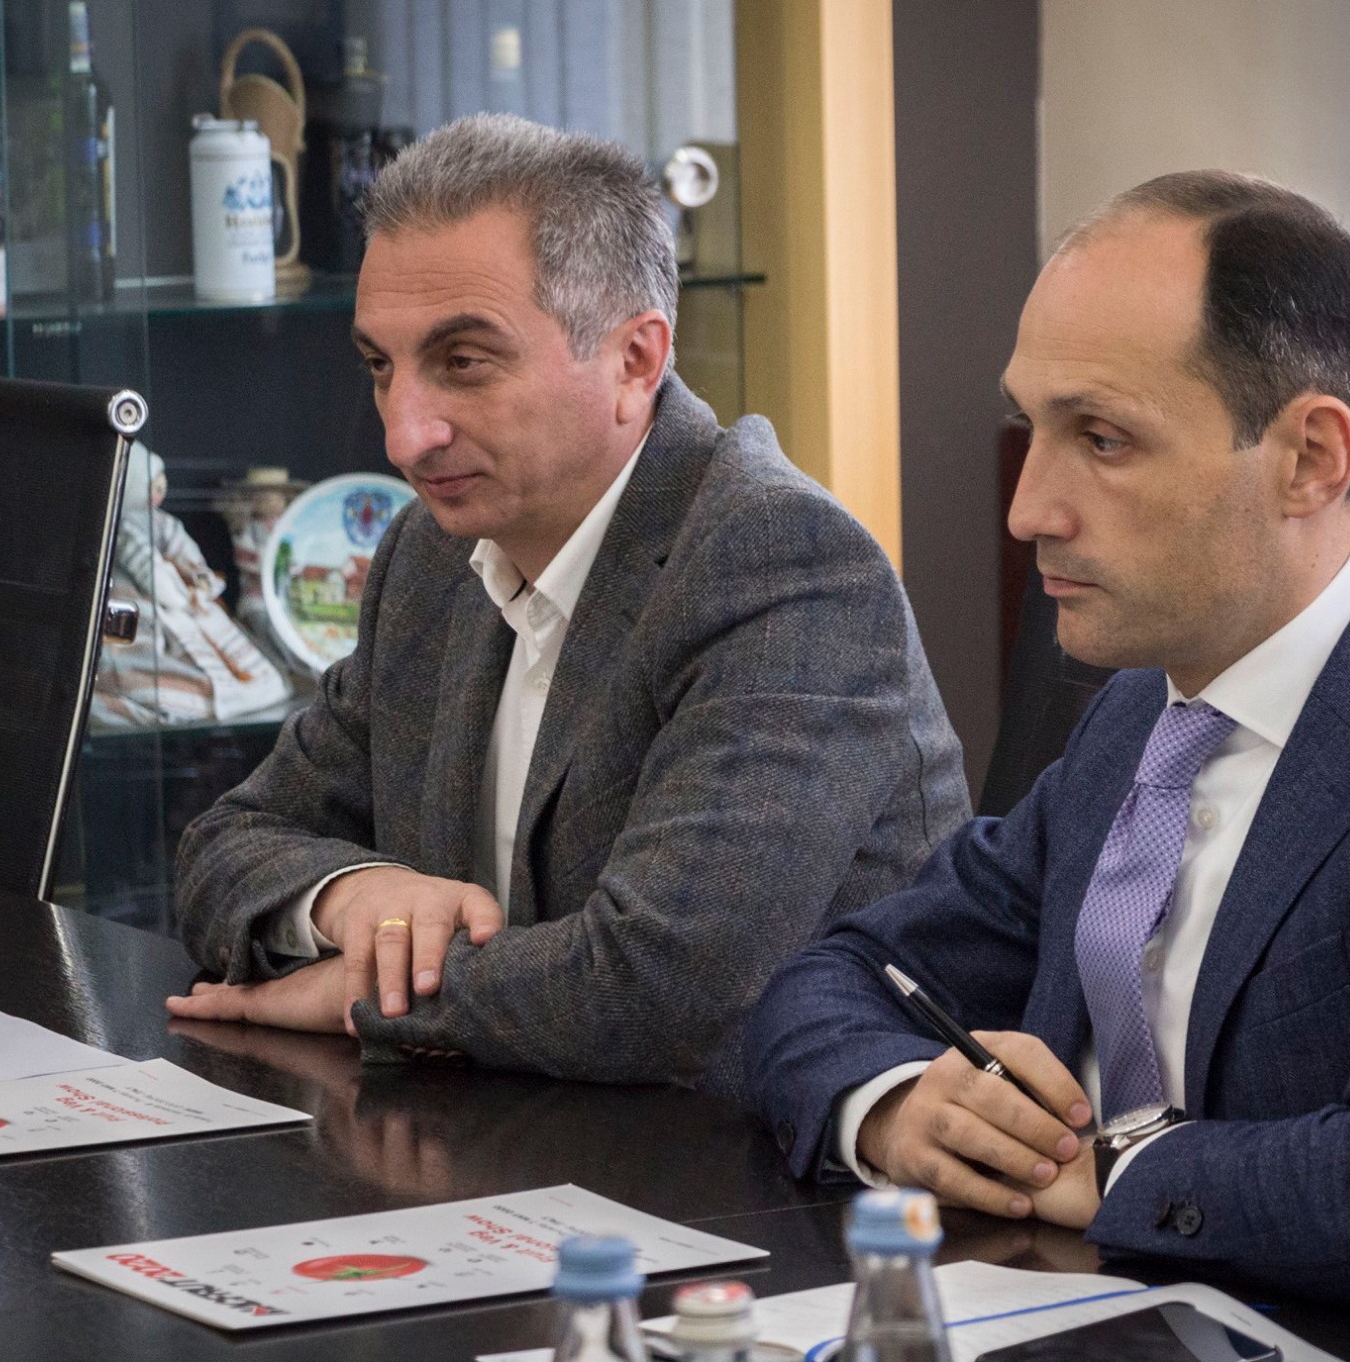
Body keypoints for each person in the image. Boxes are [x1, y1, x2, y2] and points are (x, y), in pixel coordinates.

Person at [744, 171, 1350, 1360]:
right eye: (1033, 428)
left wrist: (1106, 1166)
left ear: (1309, 459)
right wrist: (897, 1110)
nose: (1027, 509)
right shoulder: (1147, 711)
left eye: (1103, 439)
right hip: (1087, 1315)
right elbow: (840, 975)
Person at [167, 114, 968, 1093]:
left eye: (464, 362)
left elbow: (654, 989)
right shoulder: (428, 556)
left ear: (635, 360)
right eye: (380, 366)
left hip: (761, 1167)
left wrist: (361, 995)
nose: (404, 437)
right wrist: (353, 895)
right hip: (507, 1140)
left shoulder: (783, 565)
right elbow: (221, 848)